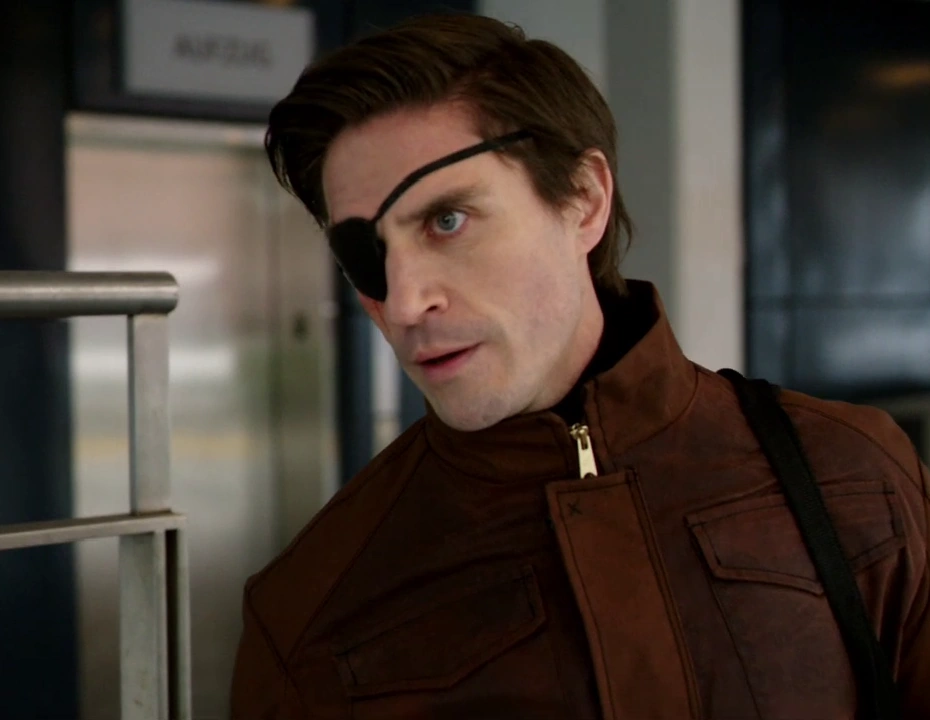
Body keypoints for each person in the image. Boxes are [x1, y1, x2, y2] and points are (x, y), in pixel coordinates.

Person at [231, 13, 929, 719]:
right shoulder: (309, 610)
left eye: (447, 221)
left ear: (585, 200)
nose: (405, 302)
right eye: (365, 255)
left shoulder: (853, 476)